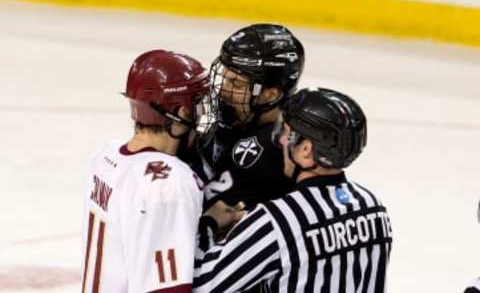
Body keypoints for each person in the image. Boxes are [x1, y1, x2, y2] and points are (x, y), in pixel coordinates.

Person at [193, 87, 393, 293]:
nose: (281, 140)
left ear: (306, 149)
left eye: (287, 133)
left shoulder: (276, 220)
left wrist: (209, 223)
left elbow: (203, 284)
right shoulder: (374, 207)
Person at [81, 50, 216, 293]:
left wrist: (210, 222)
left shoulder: (104, 158)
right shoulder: (168, 182)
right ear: (182, 112)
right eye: (197, 105)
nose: (201, 115)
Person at [194, 23, 305, 209]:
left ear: (271, 94)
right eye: (225, 78)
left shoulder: (277, 150)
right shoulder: (237, 117)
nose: (223, 90)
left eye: (236, 84)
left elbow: (205, 208)